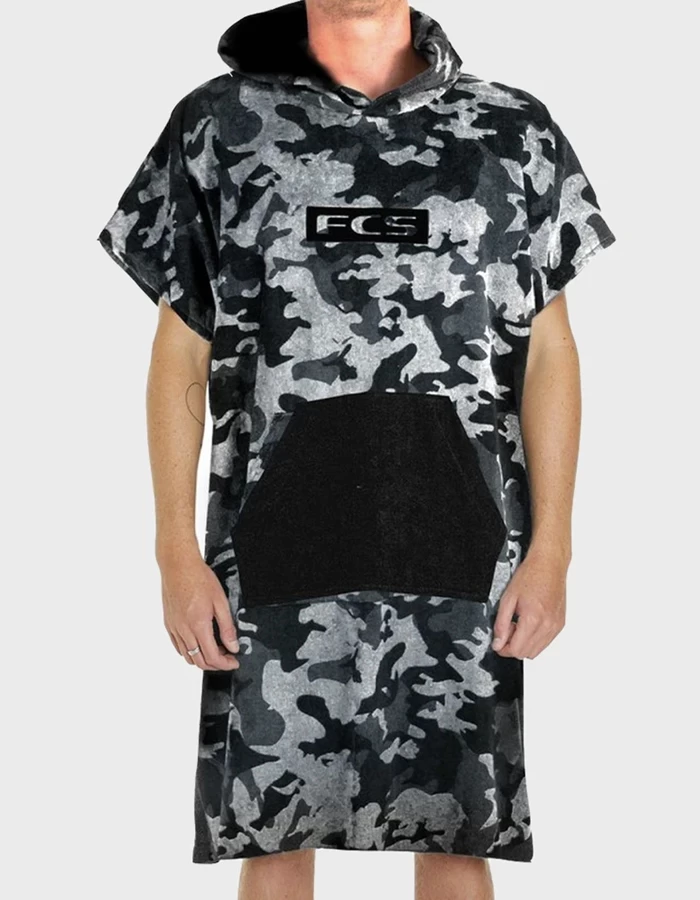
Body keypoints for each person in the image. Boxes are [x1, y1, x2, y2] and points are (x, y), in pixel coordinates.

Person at [96, 1, 616, 897]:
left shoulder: (513, 129)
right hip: (272, 538)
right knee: (271, 835)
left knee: (458, 834)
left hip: (466, 539)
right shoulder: (219, 123)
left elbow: (550, 351)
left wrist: (555, 548)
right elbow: (181, 349)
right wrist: (174, 550)